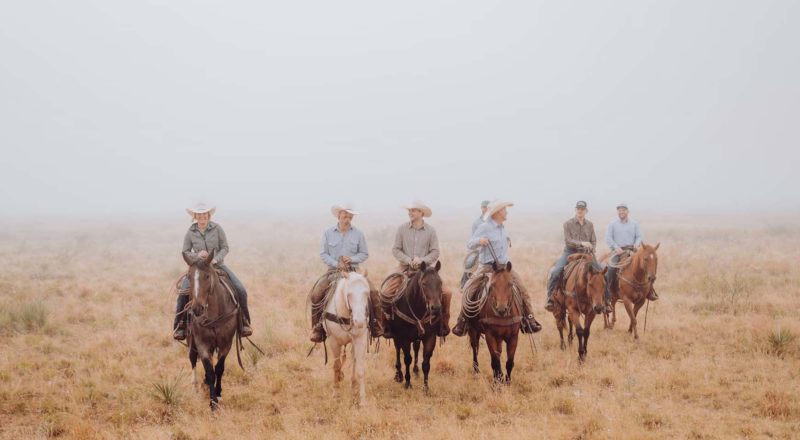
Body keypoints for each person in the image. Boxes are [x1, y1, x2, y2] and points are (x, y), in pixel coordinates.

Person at [452, 201, 542, 336]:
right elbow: (470, 243)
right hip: (487, 267)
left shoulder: (503, 228)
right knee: (468, 289)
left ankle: (529, 319)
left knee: (522, 289)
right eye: (504, 210)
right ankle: (462, 321)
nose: (506, 212)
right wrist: (479, 241)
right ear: (498, 212)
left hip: (505, 267)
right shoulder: (485, 227)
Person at [174, 203, 252, 340]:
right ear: (195, 216)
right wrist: (197, 256)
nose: (202, 217)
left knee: (240, 290)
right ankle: (180, 326)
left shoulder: (217, 229)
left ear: (208, 215)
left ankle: (244, 323)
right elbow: (185, 251)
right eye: (199, 215)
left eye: (204, 214)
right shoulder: (190, 232)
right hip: (198, 268)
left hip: (218, 266)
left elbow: (225, 247)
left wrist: (215, 259)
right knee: (183, 293)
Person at [308, 204, 380, 343]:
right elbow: (323, 253)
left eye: (350, 216)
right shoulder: (327, 233)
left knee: (374, 293)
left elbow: (364, 253)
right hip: (333, 272)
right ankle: (317, 328)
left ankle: (376, 324)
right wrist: (336, 263)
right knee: (317, 294)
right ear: (338, 215)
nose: (347, 218)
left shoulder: (358, 233)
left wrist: (352, 259)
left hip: (354, 272)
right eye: (345, 215)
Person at [379, 201, 451, 338]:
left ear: (421, 213)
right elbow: (396, 249)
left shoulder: (431, 231)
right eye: (409, 210)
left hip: (426, 269)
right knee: (385, 291)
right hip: (404, 267)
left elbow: (435, 252)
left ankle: (443, 323)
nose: (410, 213)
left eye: (413, 210)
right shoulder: (402, 229)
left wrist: (422, 260)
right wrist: (408, 260)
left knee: (447, 292)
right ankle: (387, 324)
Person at [544, 201, 603, 312]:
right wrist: (581, 243)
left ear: (586, 211)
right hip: (570, 252)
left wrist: (592, 248)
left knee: (601, 273)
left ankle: (606, 301)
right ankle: (550, 298)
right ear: (575, 210)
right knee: (556, 271)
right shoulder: (568, 224)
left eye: (582, 209)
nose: (580, 211)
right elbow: (568, 240)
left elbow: (593, 240)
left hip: (586, 253)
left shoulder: (590, 225)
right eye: (578, 209)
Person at [604, 203, 644, 308]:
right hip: (618, 251)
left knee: (644, 267)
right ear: (618, 212)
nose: (621, 212)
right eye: (619, 210)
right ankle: (608, 294)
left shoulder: (634, 224)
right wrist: (616, 247)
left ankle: (649, 292)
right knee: (611, 269)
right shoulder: (612, 224)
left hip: (632, 250)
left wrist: (636, 244)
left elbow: (639, 236)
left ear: (628, 211)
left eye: (623, 210)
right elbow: (608, 238)